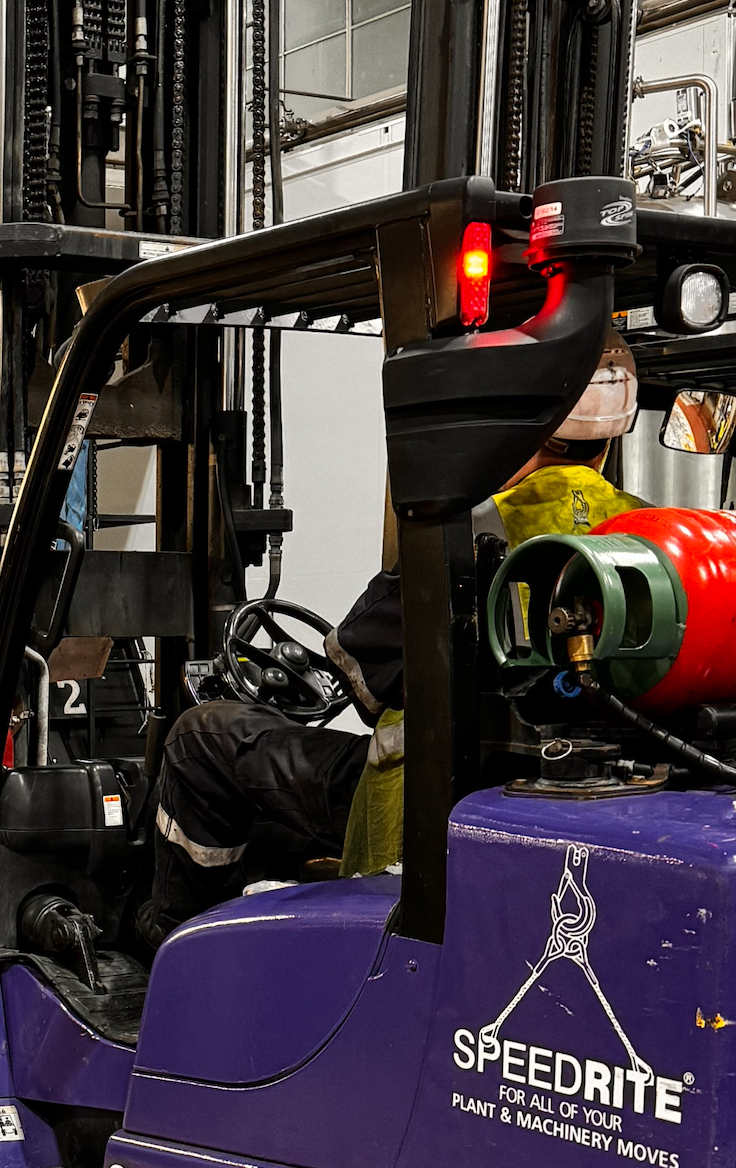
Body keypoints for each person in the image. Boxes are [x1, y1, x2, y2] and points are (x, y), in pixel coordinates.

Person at [136, 336, 646, 955]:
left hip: (431, 807)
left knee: (204, 738)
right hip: (582, 804)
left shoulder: (475, 526)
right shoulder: (651, 535)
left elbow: (361, 678)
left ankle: (174, 953)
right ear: (612, 436)